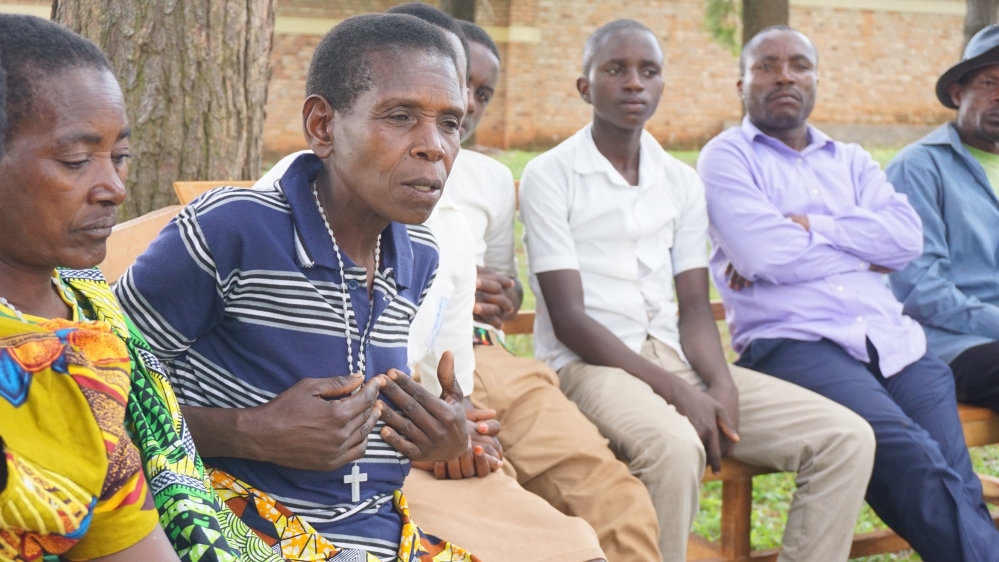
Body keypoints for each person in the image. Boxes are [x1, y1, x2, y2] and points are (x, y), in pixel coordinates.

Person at [116, 14, 479, 562]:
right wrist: (248, 433)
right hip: (237, 527)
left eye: (450, 123)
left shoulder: (419, 254)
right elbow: (92, 391)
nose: (434, 146)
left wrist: (444, 440)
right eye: (401, 116)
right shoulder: (233, 229)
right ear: (322, 126)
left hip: (379, 535)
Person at [520, 20, 876, 562]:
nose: (634, 83)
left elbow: (692, 308)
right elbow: (569, 319)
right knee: (673, 446)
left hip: (675, 357)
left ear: (662, 85)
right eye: (616, 70)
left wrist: (720, 383)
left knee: (845, 438)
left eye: (649, 71)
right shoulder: (551, 175)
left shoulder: (680, 180)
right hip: (588, 365)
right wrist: (679, 392)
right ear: (585, 87)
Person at [700, 25, 999, 562]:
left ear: (816, 80)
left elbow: (904, 240)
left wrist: (810, 227)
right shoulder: (727, 157)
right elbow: (766, 256)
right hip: (797, 344)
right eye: (767, 66)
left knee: (954, 474)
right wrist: (863, 250)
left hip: (895, 343)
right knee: (909, 455)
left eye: (799, 65)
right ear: (741, 84)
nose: (785, 75)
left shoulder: (852, 159)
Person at [0, 14, 273, 562]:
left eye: (119, 157)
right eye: (77, 161)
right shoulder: (51, 362)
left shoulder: (87, 299)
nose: (114, 188)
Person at [411, 19, 662, 562]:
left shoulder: (488, 180)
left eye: (483, 93)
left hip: (489, 357)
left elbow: (503, 289)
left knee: (622, 506)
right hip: (408, 372)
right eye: (460, 82)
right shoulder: (361, 176)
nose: (468, 103)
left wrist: (500, 295)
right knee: (509, 521)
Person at [886, 25, 999, 412]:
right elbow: (921, 289)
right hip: (949, 343)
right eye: (989, 83)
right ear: (957, 93)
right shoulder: (917, 168)